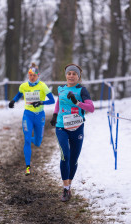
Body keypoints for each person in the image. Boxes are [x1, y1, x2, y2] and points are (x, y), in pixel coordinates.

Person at [50, 63, 95, 202]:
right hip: (61, 127)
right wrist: (55, 115)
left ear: (78, 76)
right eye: (69, 73)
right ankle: (65, 188)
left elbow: (91, 108)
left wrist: (77, 102)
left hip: (77, 128)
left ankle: (69, 186)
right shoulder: (62, 89)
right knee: (65, 156)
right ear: (66, 75)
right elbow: (59, 102)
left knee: (74, 159)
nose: (71, 76)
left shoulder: (82, 90)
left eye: (74, 74)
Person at [8, 63, 55, 175]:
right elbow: (19, 95)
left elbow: (52, 100)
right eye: (30, 75)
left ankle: (34, 139)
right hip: (27, 115)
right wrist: (13, 101)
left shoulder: (43, 86)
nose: (32, 77)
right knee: (27, 139)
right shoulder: (24, 86)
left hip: (40, 116)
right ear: (28, 76)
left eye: (34, 75)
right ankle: (28, 166)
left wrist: (41, 102)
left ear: (38, 76)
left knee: (38, 142)